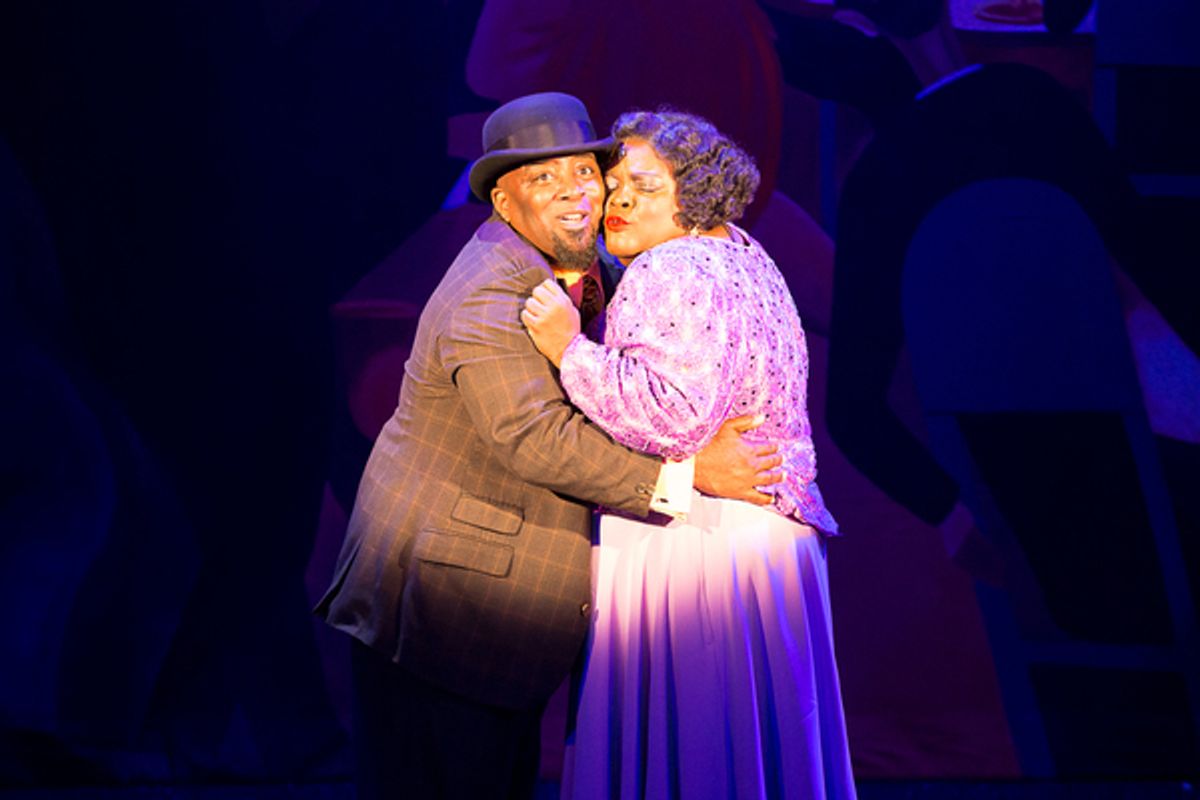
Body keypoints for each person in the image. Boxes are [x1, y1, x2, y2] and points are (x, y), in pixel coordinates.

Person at [314, 92, 784, 800]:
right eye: (543, 177)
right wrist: (688, 476)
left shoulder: (583, 259)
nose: (573, 191)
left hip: (501, 607)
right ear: (503, 203)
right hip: (442, 604)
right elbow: (536, 438)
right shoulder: (492, 292)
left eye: (585, 172)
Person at [523, 110, 856, 799]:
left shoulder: (669, 266)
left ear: (696, 195)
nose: (618, 203)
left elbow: (669, 417)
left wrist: (567, 348)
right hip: (769, 544)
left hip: (697, 544)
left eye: (644, 187)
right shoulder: (747, 254)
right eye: (614, 186)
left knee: (692, 754)